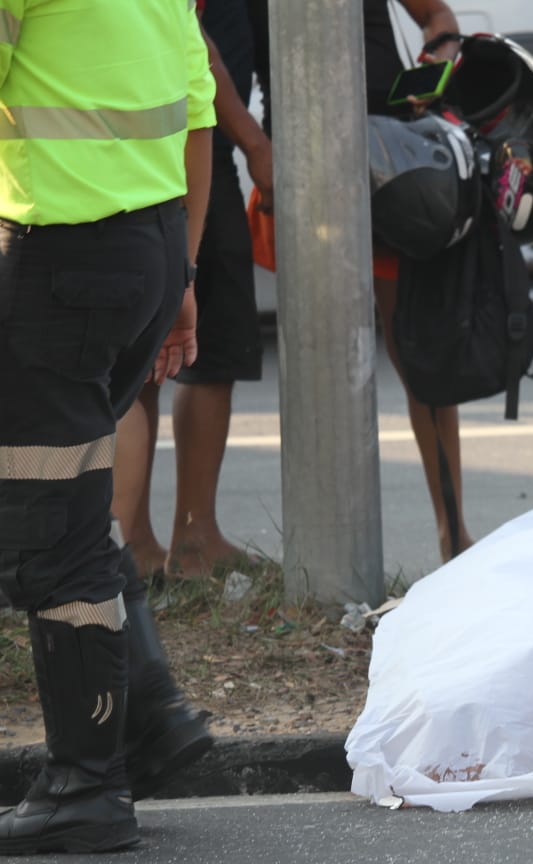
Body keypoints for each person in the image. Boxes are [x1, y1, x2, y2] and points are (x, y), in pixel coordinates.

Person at [0, 1, 218, 853]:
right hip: (149, 249)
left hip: (61, 264)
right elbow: (197, 111)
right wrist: (185, 274)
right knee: (72, 507)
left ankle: (86, 786)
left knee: (53, 531)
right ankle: (149, 719)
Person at [248, 0, 475, 563]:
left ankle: (454, 534)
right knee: (319, 362)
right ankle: (327, 553)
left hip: (393, 162)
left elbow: (438, 17)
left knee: (416, 351)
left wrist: (439, 59)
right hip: (302, 164)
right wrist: (255, 146)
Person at [113, 0, 275, 581]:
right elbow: (193, 49)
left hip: (182, 158)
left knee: (195, 349)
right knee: (140, 358)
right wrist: (257, 142)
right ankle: (134, 545)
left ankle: (185, 536)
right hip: (166, 158)